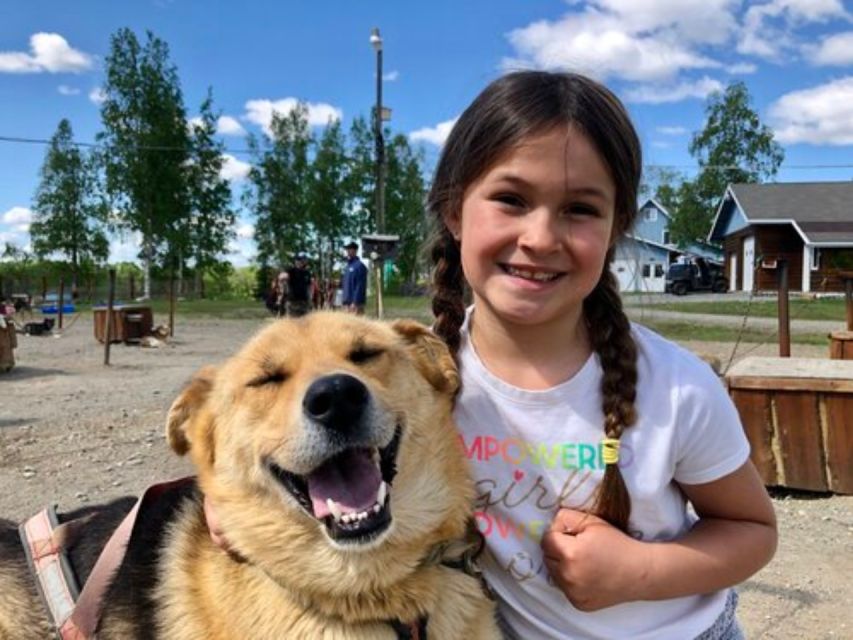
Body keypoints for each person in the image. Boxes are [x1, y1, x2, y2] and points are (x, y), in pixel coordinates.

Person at [425, 70, 777, 639]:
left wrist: (638, 571)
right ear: (454, 209)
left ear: (618, 228)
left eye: (580, 209)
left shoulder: (676, 388)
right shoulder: (415, 381)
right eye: (511, 199)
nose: (540, 237)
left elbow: (752, 529)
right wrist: (225, 501)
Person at [341, 241, 368, 314]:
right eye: (347, 250)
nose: (347, 251)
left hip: (355, 304)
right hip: (346, 303)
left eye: (349, 249)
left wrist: (355, 302)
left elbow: (360, 285)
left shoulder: (359, 266)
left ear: (355, 251)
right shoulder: (347, 267)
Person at [285, 253, 314, 318]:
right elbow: (282, 276)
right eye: (299, 260)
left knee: (305, 322)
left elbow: (308, 287)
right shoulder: (291, 271)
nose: (301, 262)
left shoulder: (307, 273)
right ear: (296, 261)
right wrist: (284, 276)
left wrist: (310, 300)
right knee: (293, 322)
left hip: (304, 302)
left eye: (303, 260)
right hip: (293, 302)